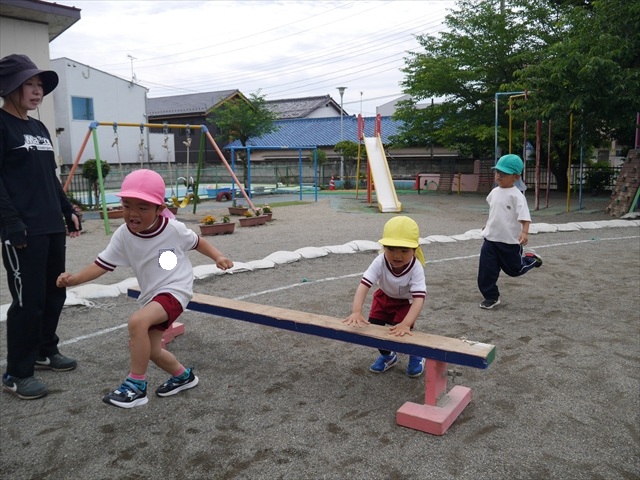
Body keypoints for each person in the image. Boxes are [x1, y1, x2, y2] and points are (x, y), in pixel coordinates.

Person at [56, 169, 234, 408]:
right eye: (127, 206)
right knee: (151, 350)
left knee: (137, 322)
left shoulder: (173, 229)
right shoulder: (123, 235)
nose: (133, 213)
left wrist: (218, 256)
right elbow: (102, 264)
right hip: (151, 296)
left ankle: (136, 386)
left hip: (176, 290)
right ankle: (183, 377)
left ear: (159, 209)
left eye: (142, 207)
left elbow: (197, 242)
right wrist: (74, 279)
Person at [0, 54, 82, 400]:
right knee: (28, 301)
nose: (37, 91)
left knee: (54, 292)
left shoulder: (38, 127)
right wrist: (11, 222)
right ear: (10, 87)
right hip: (23, 231)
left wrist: (67, 209)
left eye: (39, 85)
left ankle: (46, 351)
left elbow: (49, 176)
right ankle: (17, 373)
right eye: (28, 84)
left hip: (50, 225)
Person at [343, 216, 427, 378]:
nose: (397, 255)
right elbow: (364, 285)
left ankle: (416, 354)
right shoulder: (380, 260)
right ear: (383, 247)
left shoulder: (416, 267)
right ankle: (388, 356)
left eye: (404, 250)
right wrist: (356, 312)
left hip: (405, 304)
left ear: (415, 250)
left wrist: (406, 324)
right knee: (374, 331)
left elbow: (419, 299)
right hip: (384, 298)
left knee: (400, 334)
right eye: (391, 249)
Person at [477, 154, 543, 309]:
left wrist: (524, 233)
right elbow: (494, 212)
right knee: (486, 271)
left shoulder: (517, 196)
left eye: (504, 173)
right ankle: (491, 297)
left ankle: (532, 259)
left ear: (516, 177)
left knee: (515, 270)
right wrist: (488, 226)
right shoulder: (494, 192)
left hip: (509, 243)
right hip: (490, 240)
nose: (499, 176)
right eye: (497, 172)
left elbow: (525, 217)